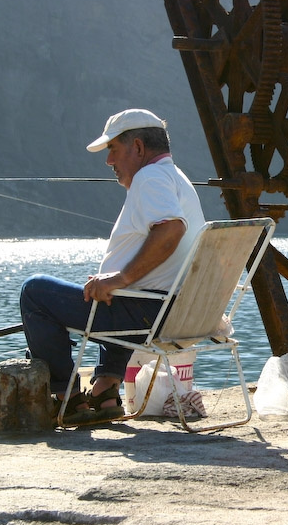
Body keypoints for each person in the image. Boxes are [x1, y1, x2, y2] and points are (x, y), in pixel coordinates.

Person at [20, 108, 206, 421]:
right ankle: (105, 392)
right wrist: (114, 281)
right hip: (177, 310)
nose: (109, 161)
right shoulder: (178, 178)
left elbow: (171, 229)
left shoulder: (150, 177)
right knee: (111, 292)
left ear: (138, 147)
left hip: (148, 313)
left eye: (113, 150)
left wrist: (119, 278)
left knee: (35, 292)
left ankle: (67, 398)